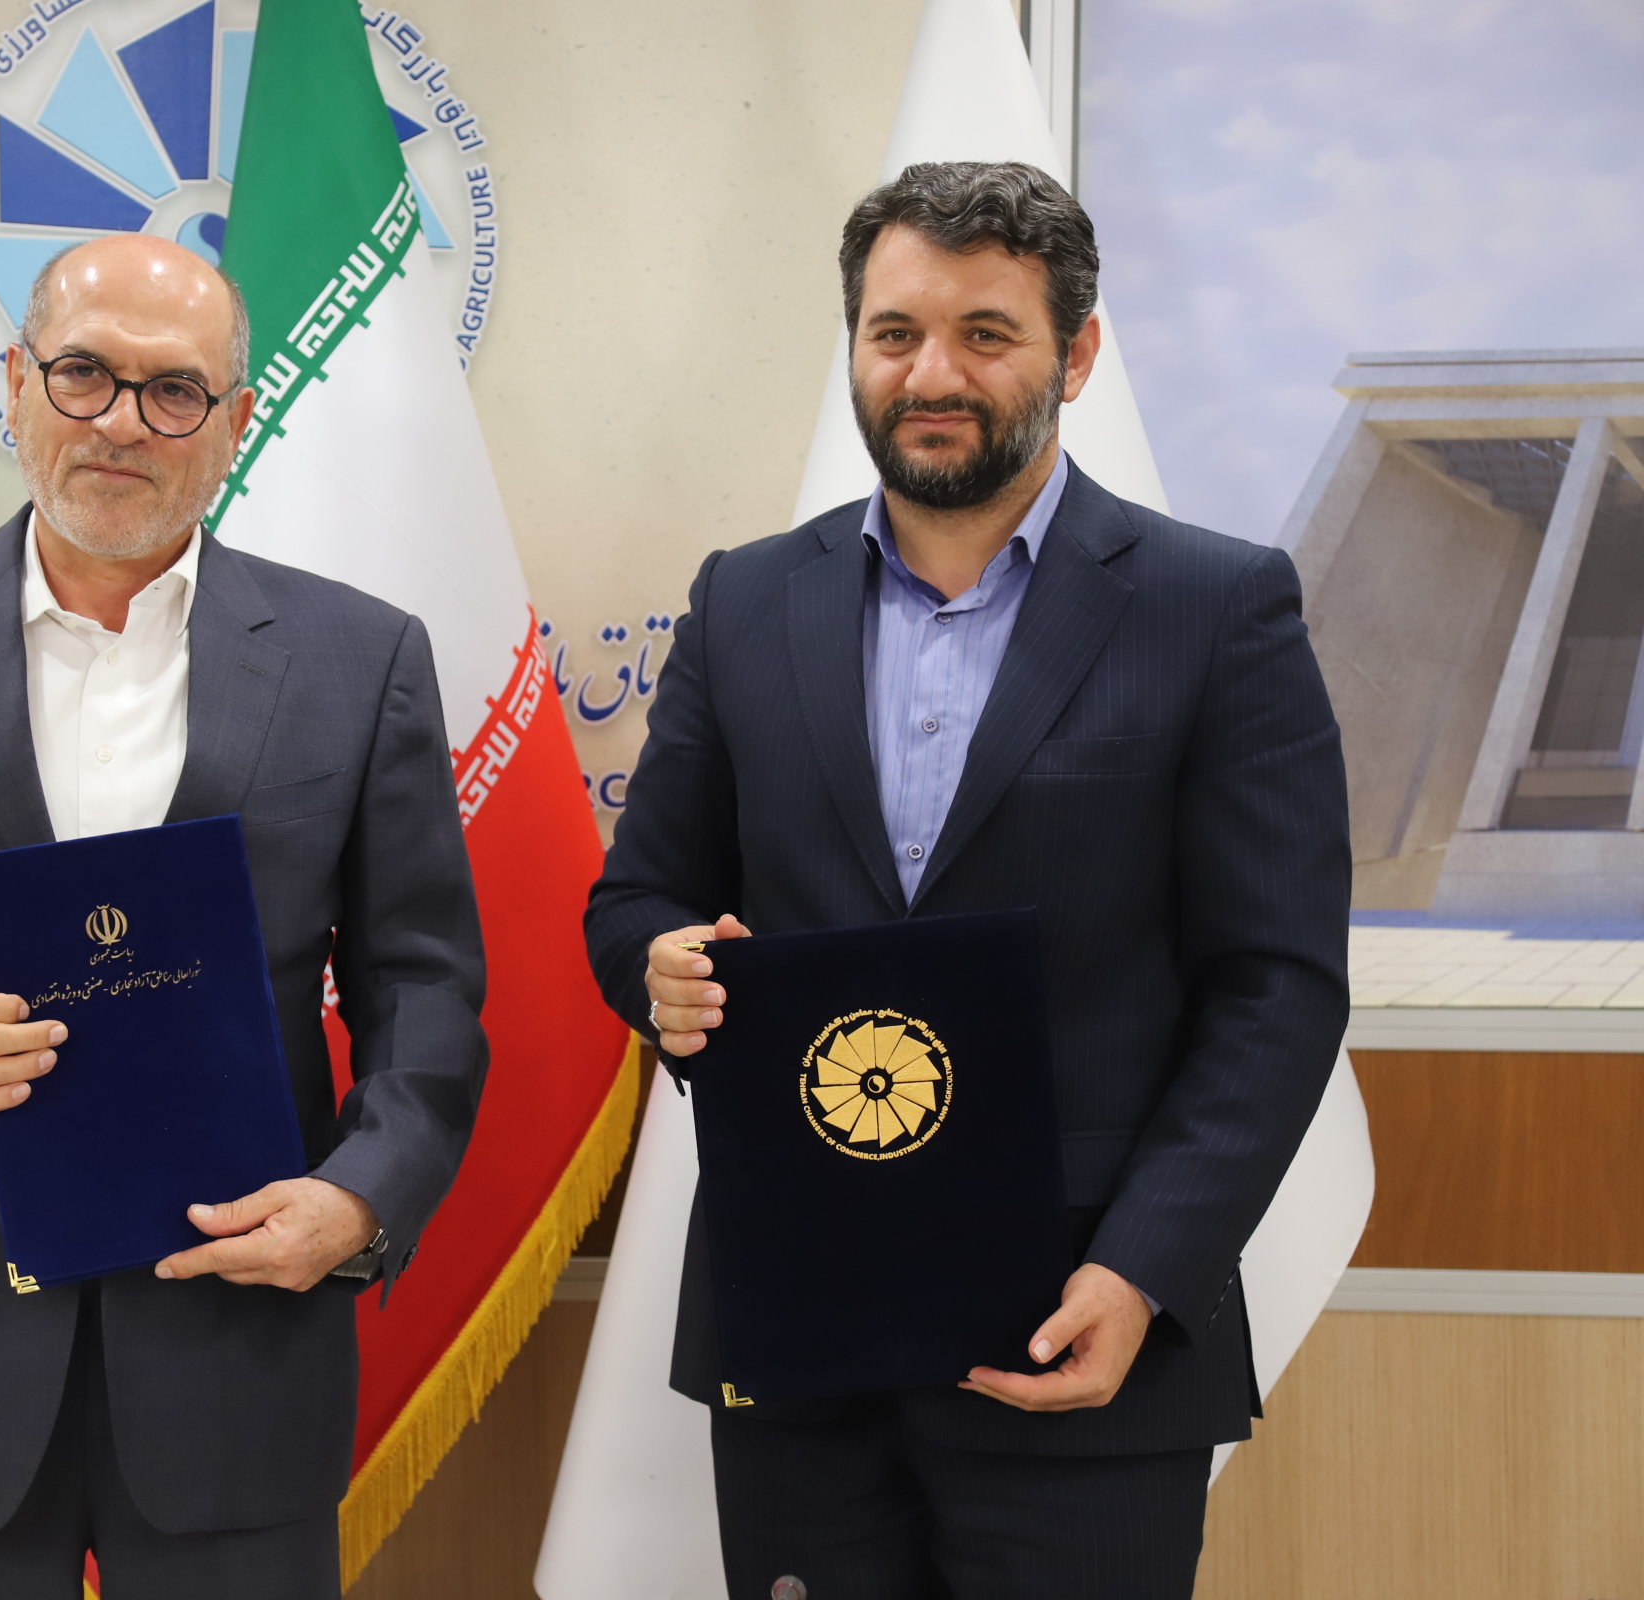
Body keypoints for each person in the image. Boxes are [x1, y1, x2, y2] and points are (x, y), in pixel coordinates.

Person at [0, 233, 487, 1598]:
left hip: (237, 1332)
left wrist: (363, 1197)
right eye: (83, 374)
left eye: (173, 391)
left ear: (234, 421)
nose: (120, 421)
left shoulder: (361, 659)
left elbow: (423, 980)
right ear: (16, 382)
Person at [584, 161, 1349, 1598]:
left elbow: (1278, 986)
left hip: (1081, 1332)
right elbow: (637, 902)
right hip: (800, 1324)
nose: (931, 374)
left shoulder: (1215, 605)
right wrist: (658, 969)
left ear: (1077, 352)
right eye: (895, 333)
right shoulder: (745, 600)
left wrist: (1145, 1269)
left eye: (986, 334)